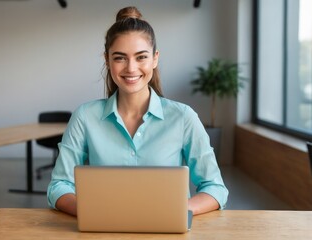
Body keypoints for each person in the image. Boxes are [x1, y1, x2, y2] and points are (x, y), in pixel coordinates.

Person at [47, 6, 228, 217]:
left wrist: (176, 211)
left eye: (141, 57)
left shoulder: (183, 117)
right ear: (107, 60)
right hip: (103, 230)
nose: (131, 68)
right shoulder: (85, 117)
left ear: (155, 58)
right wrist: (91, 212)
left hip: (167, 228)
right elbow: (59, 185)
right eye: (120, 58)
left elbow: (215, 189)